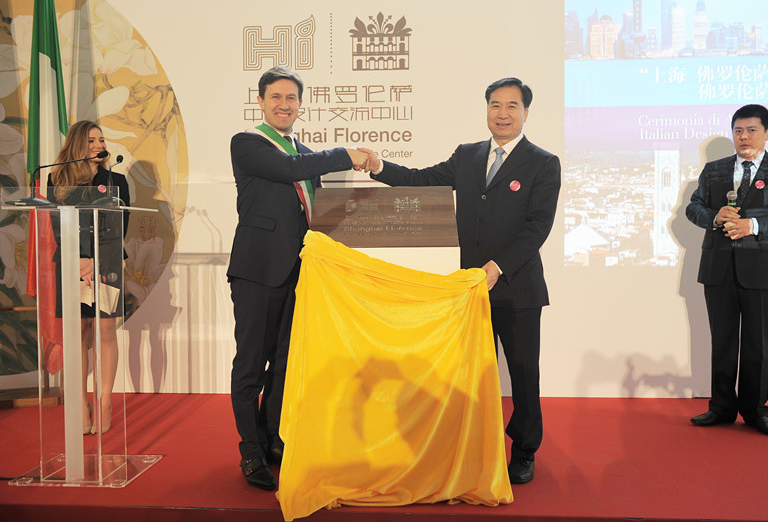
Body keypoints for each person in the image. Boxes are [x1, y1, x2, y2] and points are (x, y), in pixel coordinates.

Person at [360, 77, 560, 484]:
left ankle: (524, 450)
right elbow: (421, 179)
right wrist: (379, 167)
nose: (502, 114)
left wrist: (497, 266)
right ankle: (476, 445)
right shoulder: (467, 155)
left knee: (524, 376)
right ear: (486, 109)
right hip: (469, 291)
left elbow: (538, 227)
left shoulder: (543, 162)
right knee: (472, 378)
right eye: (495, 105)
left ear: (526, 113)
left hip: (517, 290)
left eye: (512, 106)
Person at [227, 66, 370, 490]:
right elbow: (288, 169)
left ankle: (273, 439)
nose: (284, 104)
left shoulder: (303, 153)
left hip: (299, 273)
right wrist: (346, 154)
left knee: (284, 364)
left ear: (301, 105)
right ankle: (251, 452)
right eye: (276, 97)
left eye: (291, 98)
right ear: (260, 101)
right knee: (250, 365)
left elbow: (316, 212)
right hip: (257, 271)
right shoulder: (248, 143)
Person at [686, 104, 768, 435]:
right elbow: (694, 208)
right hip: (718, 267)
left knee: (757, 343)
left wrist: (754, 226)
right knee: (722, 341)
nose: (744, 137)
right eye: (738, 131)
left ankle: (755, 411)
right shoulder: (715, 169)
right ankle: (721, 408)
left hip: (760, 268)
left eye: (751, 130)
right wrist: (714, 217)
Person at [47, 120, 130, 435]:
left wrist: (95, 261)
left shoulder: (116, 180)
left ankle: (105, 401)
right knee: (79, 332)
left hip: (106, 263)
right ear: (77, 145)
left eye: (101, 140)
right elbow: (57, 225)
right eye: (91, 140)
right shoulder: (57, 179)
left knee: (105, 330)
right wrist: (79, 260)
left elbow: (122, 225)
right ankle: (81, 403)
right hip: (71, 264)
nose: (98, 145)